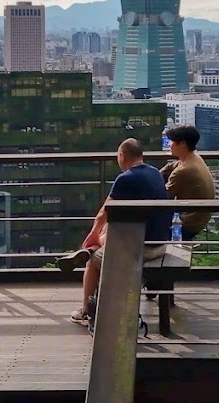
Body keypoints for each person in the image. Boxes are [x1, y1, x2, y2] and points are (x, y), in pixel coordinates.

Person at [70, 138, 172, 326]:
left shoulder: (125, 179)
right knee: (108, 232)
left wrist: (92, 234)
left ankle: (86, 310)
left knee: (94, 260)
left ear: (122, 156)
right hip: (161, 243)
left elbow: (104, 212)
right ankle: (95, 247)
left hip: (143, 250)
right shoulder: (155, 173)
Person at [160, 124, 216, 238]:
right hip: (199, 218)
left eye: (172, 141)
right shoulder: (194, 158)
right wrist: (157, 174)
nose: (169, 145)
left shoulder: (184, 171)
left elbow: (163, 198)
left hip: (187, 224)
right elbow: (172, 166)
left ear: (183, 144)